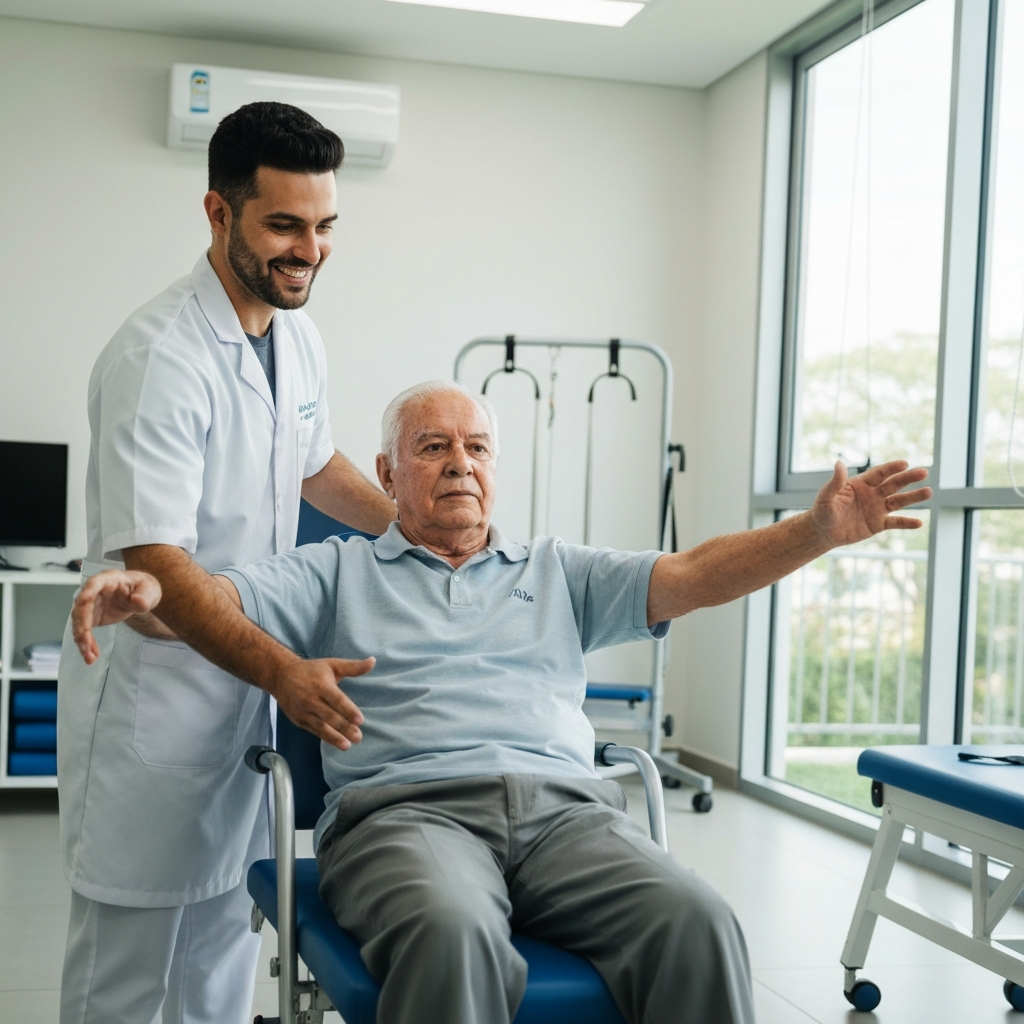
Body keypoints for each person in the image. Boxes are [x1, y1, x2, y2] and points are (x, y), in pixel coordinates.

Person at [72, 380, 932, 1024]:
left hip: (570, 819)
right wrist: (147, 594)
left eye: (477, 448)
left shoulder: (557, 570)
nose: (460, 465)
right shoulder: (336, 570)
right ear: (387, 472)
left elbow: (696, 575)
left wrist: (814, 531)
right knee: (449, 932)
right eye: (434, 447)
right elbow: (214, 603)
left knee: (700, 921)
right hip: (406, 818)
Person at [57, 102, 396, 1024]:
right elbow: (157, 560)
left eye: (324, 226)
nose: (310, 250)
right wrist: (285, 672)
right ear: (219, 213)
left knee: (216, 961)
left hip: (238, 706)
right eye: (284, 225)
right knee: (126, 984)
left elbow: (316, 464)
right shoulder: (160, 356)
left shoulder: (298, 336)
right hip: (159, 700)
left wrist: (413, 528)